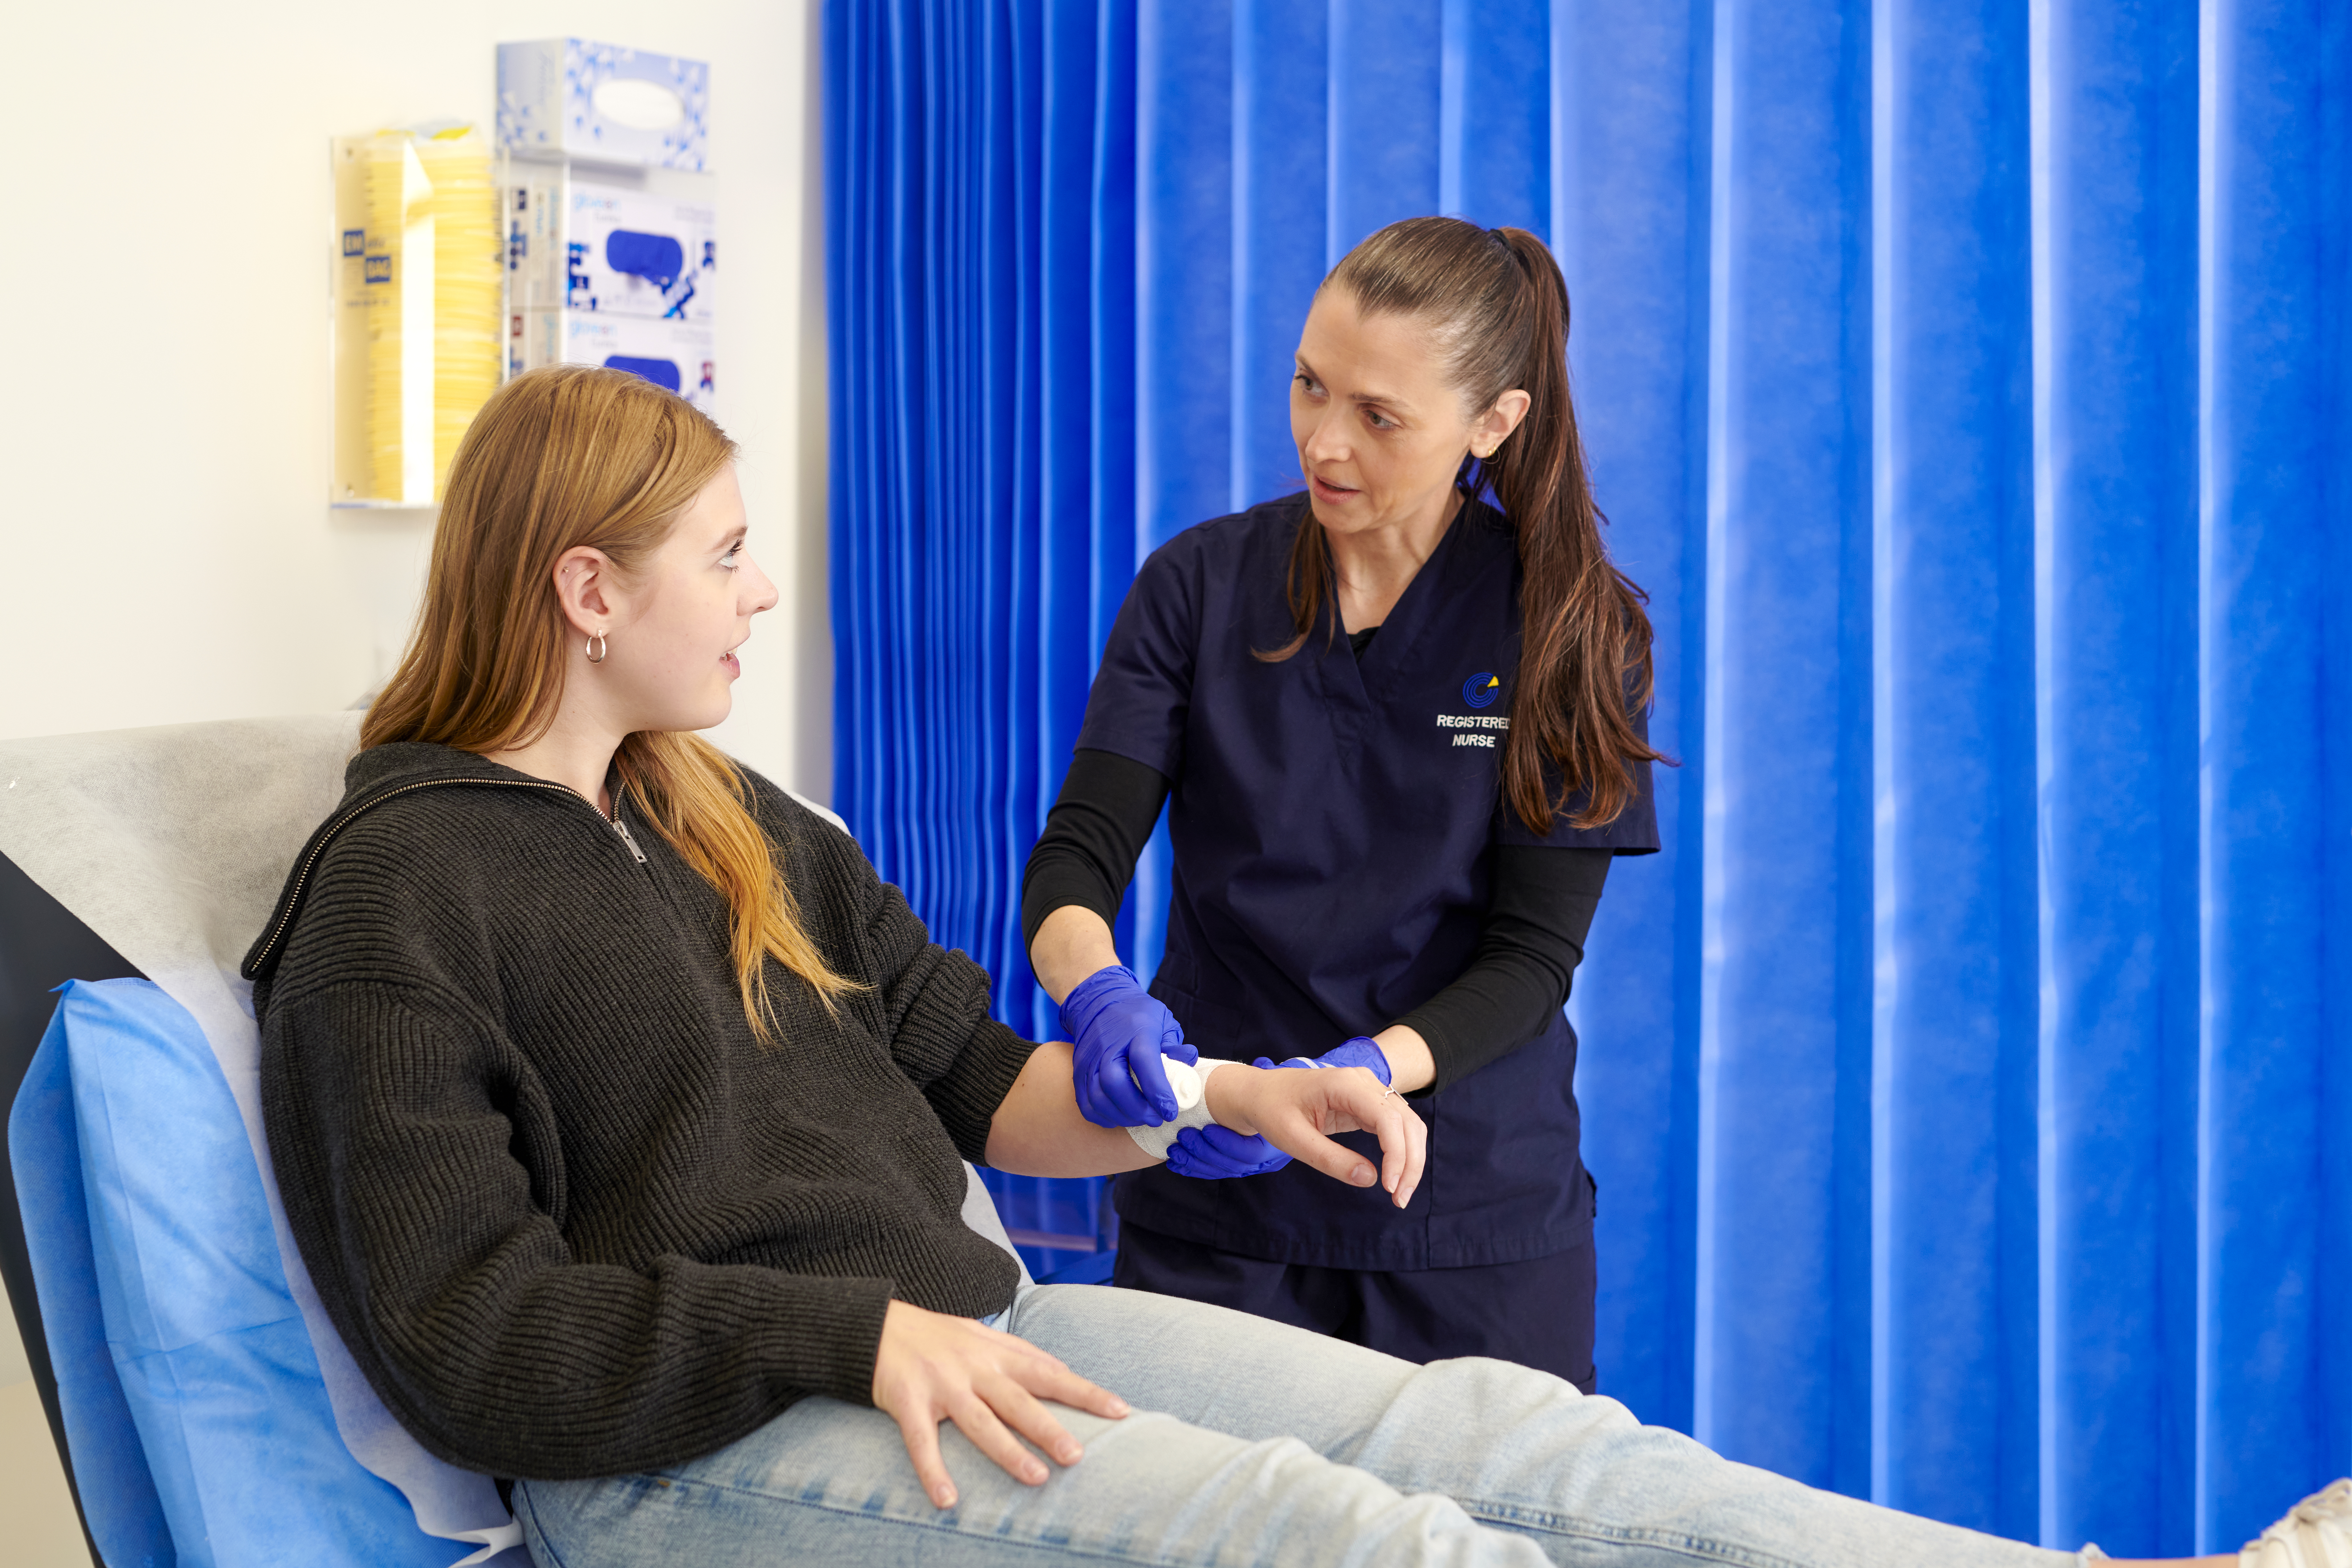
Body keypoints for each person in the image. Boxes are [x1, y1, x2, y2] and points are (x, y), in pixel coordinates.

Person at [247, 364, 2332, 1567]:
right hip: (682, 1458)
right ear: (586, 588)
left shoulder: (733, 820)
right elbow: (468, 1339)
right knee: (1365, 1543)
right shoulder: (397, 896)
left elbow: (992, 1087)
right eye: (723, 557)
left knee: (1530, 1451)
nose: (764, 590)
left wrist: (1220, 1098)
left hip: (970, 1328)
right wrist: (839, 1333)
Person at [1023, 217, 1654, 1389]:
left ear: (1493, 422)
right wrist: (1097, 992)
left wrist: (1361, 1071)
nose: (1324, 441)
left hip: (1462, 1214)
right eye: (1310, 385)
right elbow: (1081, 851)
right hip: (1220, 1183)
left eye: (1379, 416)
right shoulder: (1199, 586)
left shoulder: (1569, 630)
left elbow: (1529, 960)